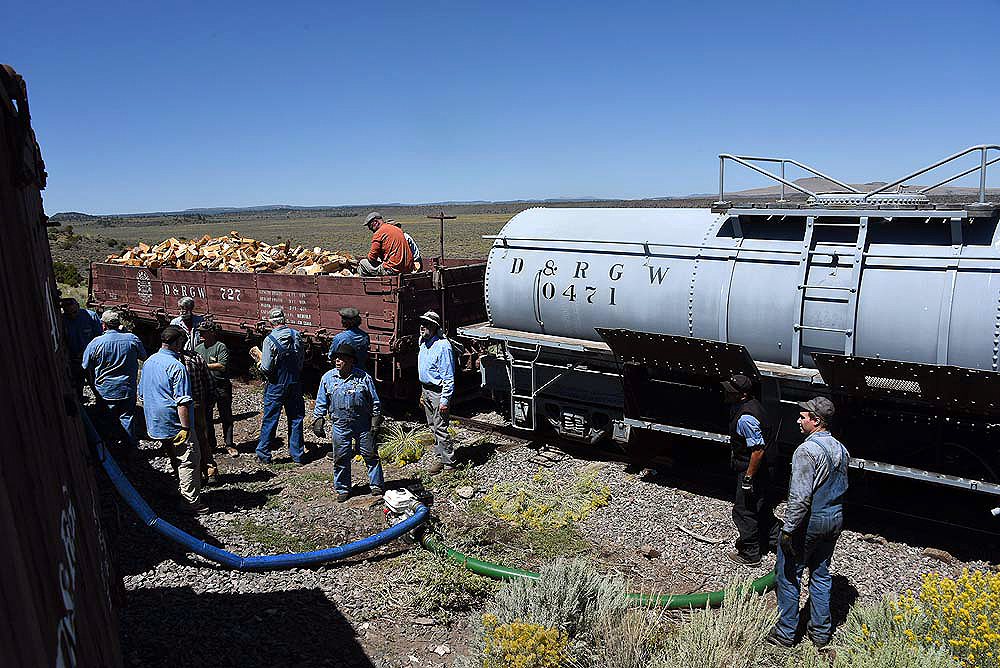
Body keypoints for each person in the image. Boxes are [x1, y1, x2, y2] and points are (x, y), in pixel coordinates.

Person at [768, 397, 849, 649]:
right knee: (821, 575)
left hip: (810, 522)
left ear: (816, 421)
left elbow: (800, 498)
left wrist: (788, 529)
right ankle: (821, 633)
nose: (798, 420)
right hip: (834, 519)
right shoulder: (841, 449)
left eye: (803, 417)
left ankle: (785, 633)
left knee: (789, 575)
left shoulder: (806, 451)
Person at [138, 326, 207, 513]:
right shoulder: (177, 366)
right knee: (188, 459)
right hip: (174, 422)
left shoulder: (149, 362)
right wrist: (185, 428)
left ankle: (176, 488)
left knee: (171, 454)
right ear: (178, 343)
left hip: (155, 422)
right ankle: (191, 503)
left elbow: (141, 394)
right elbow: (183, 401)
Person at [312, 343, 383, 502]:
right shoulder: (328, 378)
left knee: (370, 455)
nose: (337, 361)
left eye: (342, 358)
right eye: (336, 358)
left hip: (362, 424)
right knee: (341, 457)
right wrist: (318, 419)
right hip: (340, 425)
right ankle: (343, 488)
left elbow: (375, 402)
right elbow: (321, 401)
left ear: (351, 361)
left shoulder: (364, 378)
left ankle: (376, 485)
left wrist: (375, 421)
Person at [722, 373, 780, 566]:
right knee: (761, 506)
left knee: (744, 510)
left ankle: (749, 553)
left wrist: (748, 477)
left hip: (753, 469)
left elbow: (757, 451)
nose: (726, 393)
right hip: (765, 469)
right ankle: (778, 541)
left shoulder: (746, 417)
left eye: (730, 392)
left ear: (743, 395)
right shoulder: (753, 405)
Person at [82, 309, 147, 448]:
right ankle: (129, 448)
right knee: (127, 418)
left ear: (103, 325)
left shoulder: (95, 343)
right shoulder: (132, 339)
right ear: (119, 324)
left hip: (105, 390)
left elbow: (85, 365)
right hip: (127, 388)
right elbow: (144, 357)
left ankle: (109, 449)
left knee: (106, 419)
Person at [256, 307, 306, 464]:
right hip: (294, 383)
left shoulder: (269, 340)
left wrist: (258, 363)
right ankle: (297, 455)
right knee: (296, 418)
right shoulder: (296, 335)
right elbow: (300, 361)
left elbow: (266, 367)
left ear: (271, 322)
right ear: (284, 320)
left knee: (270, 419)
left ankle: (264, 455)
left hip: (276, 384)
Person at [417, 310, 456, 474]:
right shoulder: (423, 342)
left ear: (434, 327)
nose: (422, 327)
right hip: (426, 390)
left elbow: (448, 377)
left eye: (426, 324)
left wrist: (445, 400)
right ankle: (440, 458)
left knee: (440, 428)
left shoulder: (443, 347)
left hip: (438, 392)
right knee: (432, 426)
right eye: (421, 323)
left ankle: (450, 464)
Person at [195, 319, 239, 458]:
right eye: (200, 332)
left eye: (204, 332)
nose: (201, 335)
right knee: (207, 416)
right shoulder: (198, 348)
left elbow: (222, 366)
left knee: (225, 415)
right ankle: (211, 444)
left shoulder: (221, 347)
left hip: (221, 386)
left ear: (211, 333)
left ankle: (229, 444)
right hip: (206, 386)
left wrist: (203, 365)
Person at [181, 344, 217, 485]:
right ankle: (209, 470)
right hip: (196, 402)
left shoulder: (167, 360)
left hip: (177, 405)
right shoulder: (195, 357)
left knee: (184, 440)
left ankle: (190, 475)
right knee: (201, 437)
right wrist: (210, 401)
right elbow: (209, 381)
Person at [62, 298, 102, 399]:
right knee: (77, 388)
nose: (72, 316)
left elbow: (99, 338)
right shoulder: (62, 321)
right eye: (68, 313)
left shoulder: (90, 317)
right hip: (74, 361)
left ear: (78, 307)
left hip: (92, 360)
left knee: (97, 386)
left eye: (74, 312)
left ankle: (103, 409)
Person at [358, 211, 414, 276]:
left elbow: (372, 257)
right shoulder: (397, 229)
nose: (369, 229)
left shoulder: (379, 233)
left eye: (370, 226)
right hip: (408, 269)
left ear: (375, 222)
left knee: (363, 263)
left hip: (393, 269)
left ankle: (366, 285)